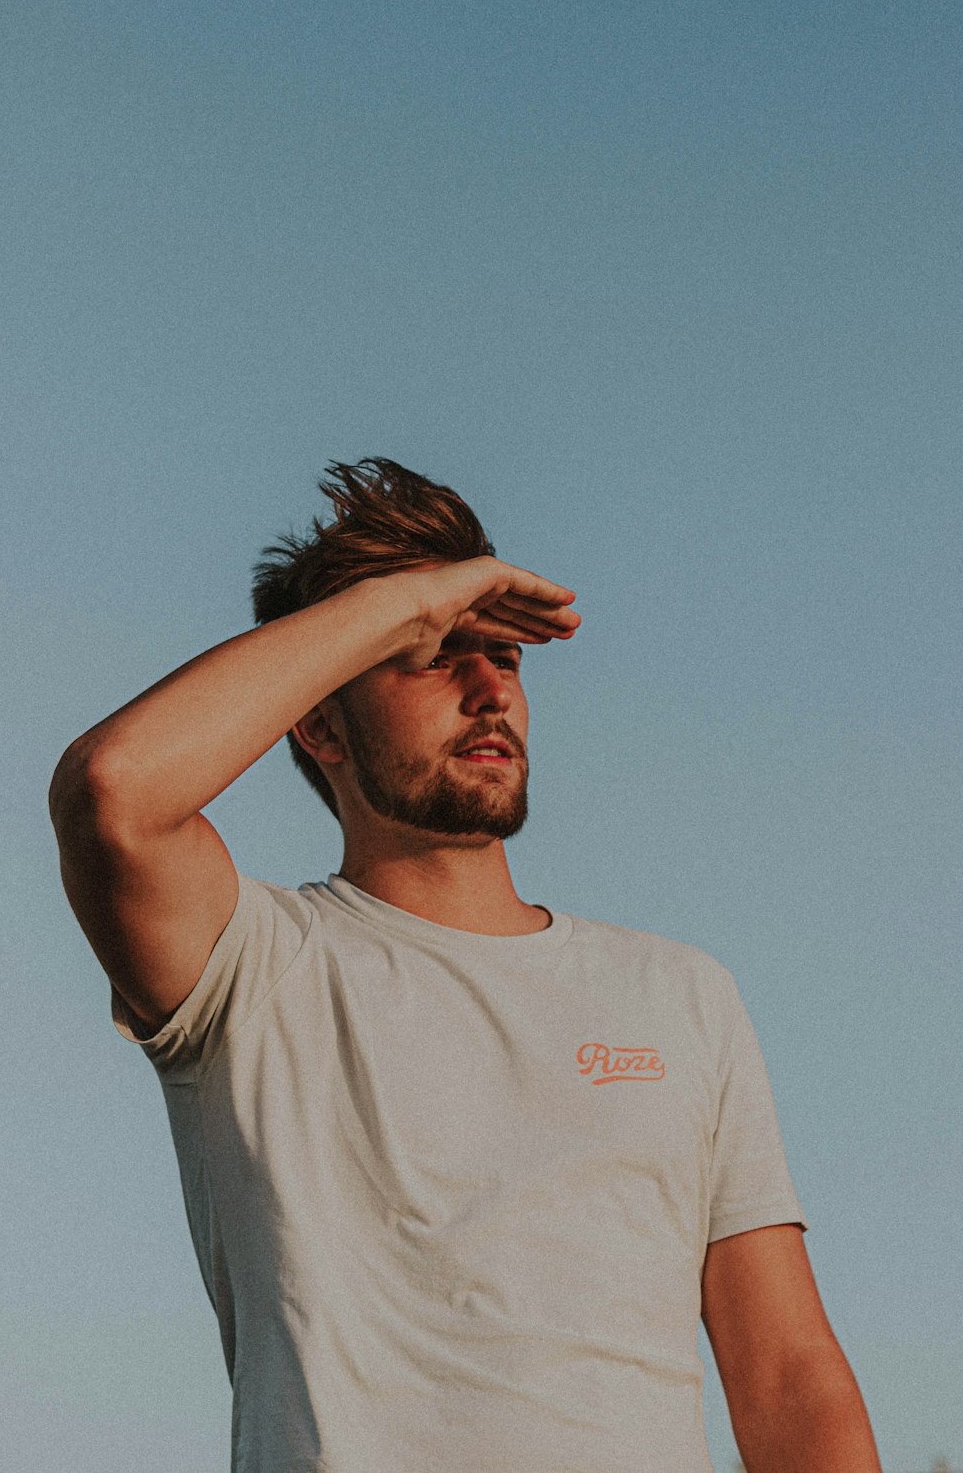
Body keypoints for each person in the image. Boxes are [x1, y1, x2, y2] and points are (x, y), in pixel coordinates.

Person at [50, 458, 880, 1473]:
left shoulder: (677, 992)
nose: (491, 690)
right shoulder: (252, 967)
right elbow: (112, 792)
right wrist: (402, 603)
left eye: (508, 660)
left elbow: (786, 1372)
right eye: (437, 658)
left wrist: (428, 623)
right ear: (317, 722)